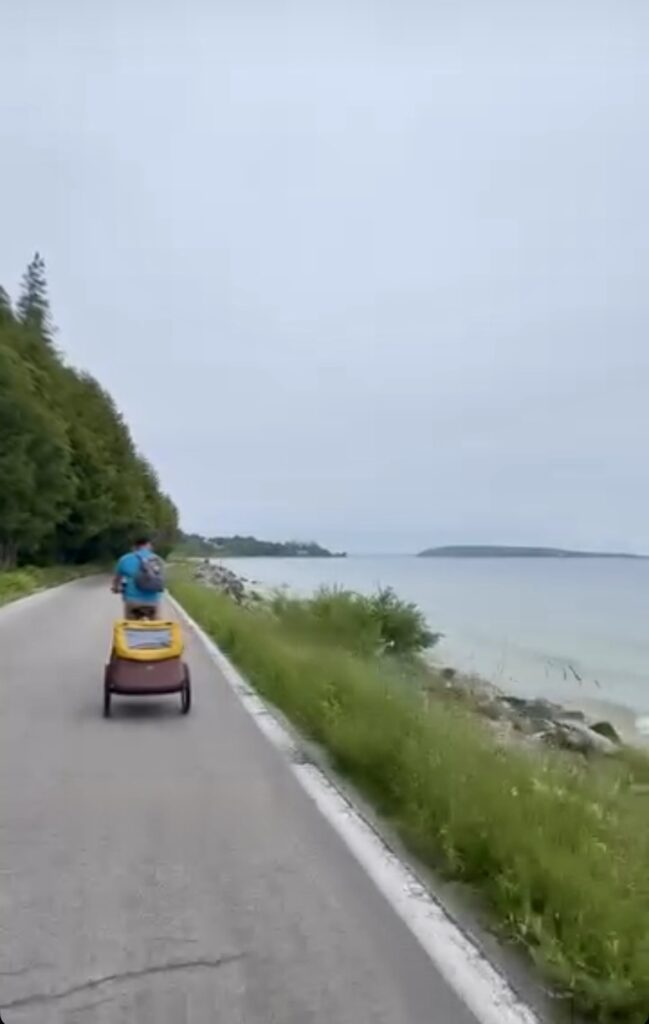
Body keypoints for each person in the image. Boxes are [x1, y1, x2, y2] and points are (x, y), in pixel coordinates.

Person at [112, 535, 165, 619]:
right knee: (157, 624)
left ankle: (130, 626)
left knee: (129, 623)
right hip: (153, 601)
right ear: (148, 545)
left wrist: (115, 588)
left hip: (132, 601)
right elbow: (161, 579)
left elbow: (117, 579)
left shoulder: (125, 559)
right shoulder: (157, 559)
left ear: (134, 547)